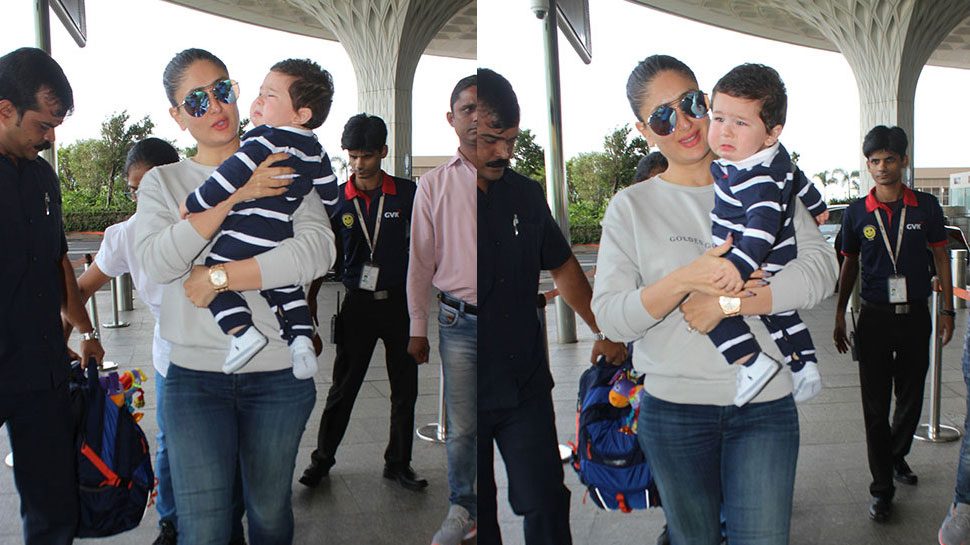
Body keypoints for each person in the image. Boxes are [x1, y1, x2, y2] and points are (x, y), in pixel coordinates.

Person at [591, 54, 837, 544]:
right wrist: (687, 278)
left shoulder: (768, 178)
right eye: (663, 116)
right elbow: (612, 317)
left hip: (764, 409)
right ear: (644, 130)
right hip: (674, 411)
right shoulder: (632, 206)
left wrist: (730, 304)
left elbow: (821, 272)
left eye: (690, 103)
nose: (683, 123)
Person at [134, 48, 334, 544]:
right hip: (195, 379)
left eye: (222, 90)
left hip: (277, 376)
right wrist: (238, 196)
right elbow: (162, 263)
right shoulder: (164, 182)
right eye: (196, 101)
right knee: (203, 528)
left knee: (268, 516)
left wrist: (220, 278)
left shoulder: (283, 158)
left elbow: (317, 252)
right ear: (177, 117)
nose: (216, 107)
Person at [476, 68, 627, 545]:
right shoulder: (438, 195)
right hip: (466, 385)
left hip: (525, 385)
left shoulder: (525, 193)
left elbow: (564, 268)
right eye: (489, 140)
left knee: (544, 499)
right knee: (476, 510)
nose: (502, 151)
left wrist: (606, 330)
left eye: (510, 140)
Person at [0, 46, 104, 545]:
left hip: (40, 370)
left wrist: (85, 330)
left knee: (53, 507)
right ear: (4, 110)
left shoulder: (43, 178)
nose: (51, 137)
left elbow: (59, 260)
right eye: (43, 124)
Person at [180, 58, 336, 378]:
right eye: (260, 92)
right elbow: (331, 196)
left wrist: (194, 202)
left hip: (247, 229)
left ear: (301, 114)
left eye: (271, 95)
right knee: (284, 285)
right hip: (281, 233)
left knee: (212, 274)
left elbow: (227, 180)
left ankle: (241, 333)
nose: (259, 100)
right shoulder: (316, 150)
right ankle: (301, 341)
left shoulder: (264, 139)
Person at [299, 113, 426, 491]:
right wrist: (310, 303)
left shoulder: (407, 194)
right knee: (343, 387)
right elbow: (324, 254)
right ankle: (322, 461)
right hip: (357, 304)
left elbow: (423, 252)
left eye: (367, 156)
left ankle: (399, 463)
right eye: (352, 156)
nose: (359, 164)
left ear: (383, 152)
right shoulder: (337, 199)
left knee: (405, 389)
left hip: (399, 305)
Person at [833, 125, 954, 523]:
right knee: (874, 406)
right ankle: (881, 488)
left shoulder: (925, 208)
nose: (881, 167)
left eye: (889, 159)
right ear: (867, 164)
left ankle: (895, 454)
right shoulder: (857, 212)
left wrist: (948, 310)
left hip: (916, 315)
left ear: (904, 160)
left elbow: (941, 257)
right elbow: (849, 263)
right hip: (875, 318)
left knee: (911, 398)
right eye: (874, 161)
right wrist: (839, 314)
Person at [705, 63, 827, 406]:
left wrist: (737, 267)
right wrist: (816, 203)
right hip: (778, 256)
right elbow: (797, 176)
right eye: (719, 119)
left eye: (740, 123)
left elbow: (762, 225)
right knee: (779, 314)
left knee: (714, 309)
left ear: (771, 132)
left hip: (752, 256)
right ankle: (804, 364)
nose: (726, 132)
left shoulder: (751, 175)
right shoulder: (774, 156)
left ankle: (751, 362)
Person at [407, 74, 478, 545]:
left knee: (518, 417)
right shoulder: (432, 185)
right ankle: (463, 507)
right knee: (463, 426)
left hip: (515, 321)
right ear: (451, 120)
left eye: (483, 108)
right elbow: (420, 258)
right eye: (466, 109)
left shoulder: (517, 185)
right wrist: (418, 326)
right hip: (460, 321)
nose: (475, 117)